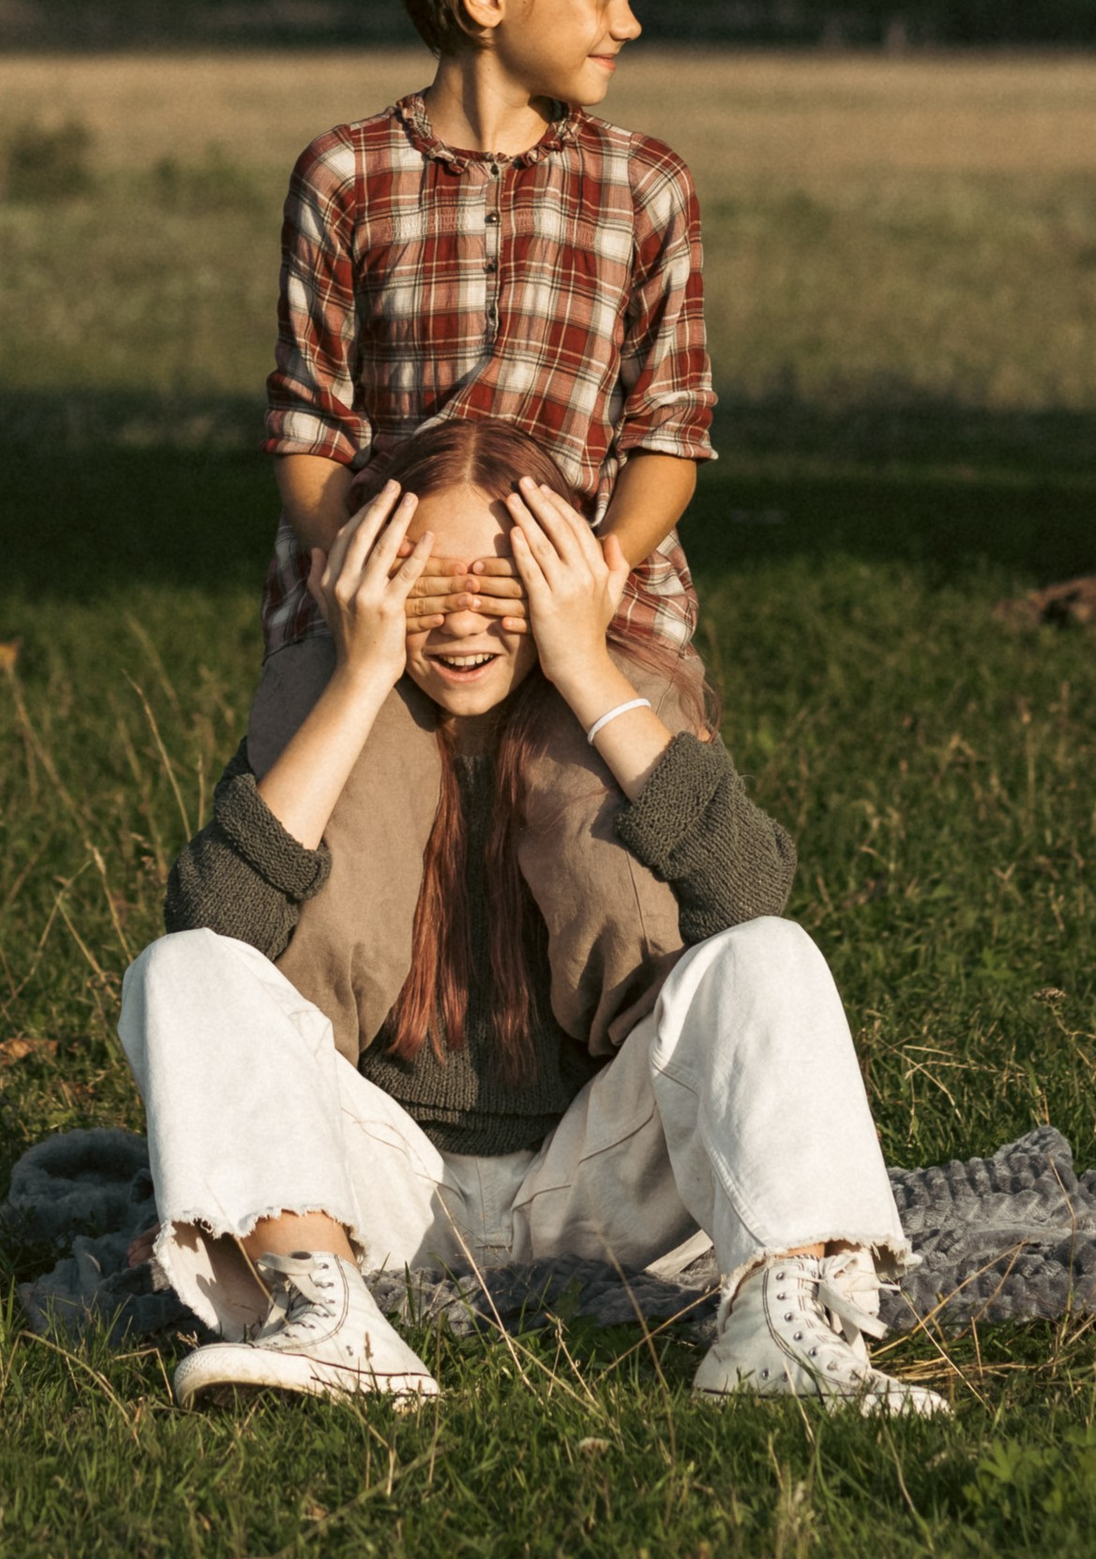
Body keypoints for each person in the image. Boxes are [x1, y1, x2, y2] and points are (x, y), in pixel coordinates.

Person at [121, 415, 943, 1414]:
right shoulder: (316, 696)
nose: (464, 625)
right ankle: (323, 1317)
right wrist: (361, 672)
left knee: (769, 953)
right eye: (427, 587)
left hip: (603, 1175)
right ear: (371, 581)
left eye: (501, 586)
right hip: (376, 1190)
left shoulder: (627, 697)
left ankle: (780, 1332)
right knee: (179, 966)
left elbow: (746, 892)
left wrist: (584, 666)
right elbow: (218, 921)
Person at [259, 0, 713, 666]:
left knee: (633, 793)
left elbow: (669, 432)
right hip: (382, 618)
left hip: (599, 621)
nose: (631, 22)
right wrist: (366, 576)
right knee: (317, 792)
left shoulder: (646, 184)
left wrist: (595, 580)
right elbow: (309, 424)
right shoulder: (345, 174)